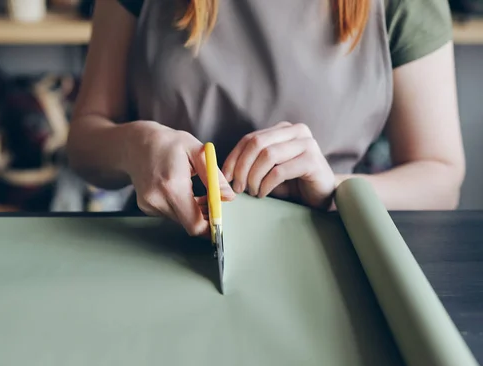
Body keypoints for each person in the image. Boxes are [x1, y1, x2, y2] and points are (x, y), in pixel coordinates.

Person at [67, 0, 465, 236]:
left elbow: (441, 177)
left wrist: (335, 190)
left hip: (329, 256)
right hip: (155, 246)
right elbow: (85, 140)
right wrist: (133, 146)